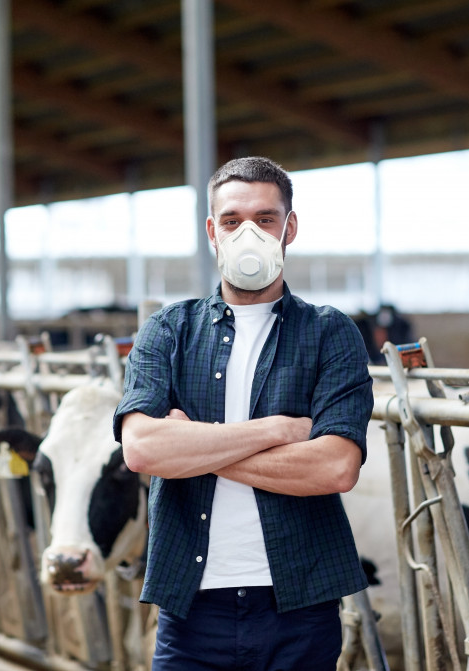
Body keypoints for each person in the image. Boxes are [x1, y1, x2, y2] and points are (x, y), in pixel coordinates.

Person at [113, 156, 374, 670]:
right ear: (213, 231)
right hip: (191, 606)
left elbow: (335, 467)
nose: (247, 233)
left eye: (265, 219)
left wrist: (191, 449)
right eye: (232, 221)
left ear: (289, 227)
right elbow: (142, 448)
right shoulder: (168, 330)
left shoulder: (330, 332)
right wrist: (276, 431)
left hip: (300, 603)